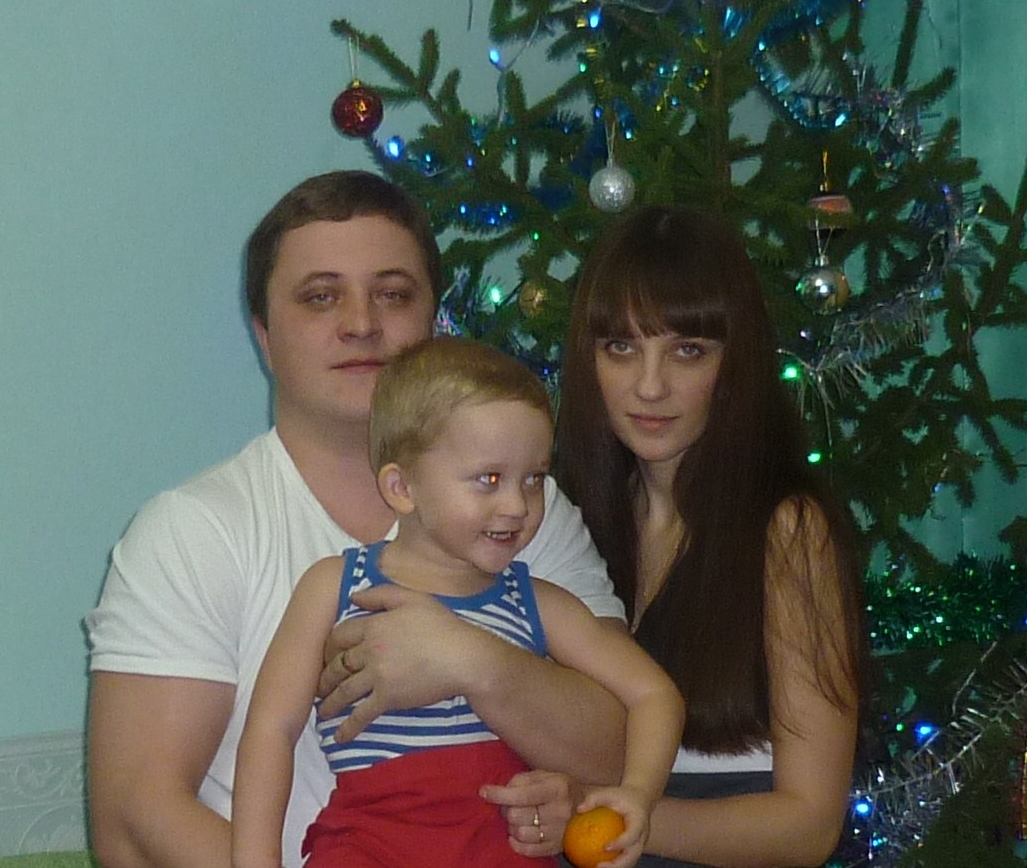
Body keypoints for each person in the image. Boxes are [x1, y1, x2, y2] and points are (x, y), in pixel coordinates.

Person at [86, 172, 629, 868]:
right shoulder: (192, 532)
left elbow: (622, 752)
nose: (362, 323)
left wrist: (472, 660)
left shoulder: (525, 512)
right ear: (264, 336)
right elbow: (135, 820)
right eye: (320, 296)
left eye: (393, 294)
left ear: (434, 318)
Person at [481, 204, 870, 867]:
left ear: (734, 363)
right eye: (621, 348)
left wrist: (611, 817)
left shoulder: (788, 531)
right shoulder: (559, 519)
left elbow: (809, 826)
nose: (650, 385)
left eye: (687, 350)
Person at [233, 338, 684, 868]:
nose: (517, 505)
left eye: (534, 479)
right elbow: (271, 730)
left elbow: (654, 693)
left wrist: (638, 795)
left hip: (502, 850)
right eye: (489, 479)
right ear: (402, 488)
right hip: (368, 846)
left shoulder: (540, 604)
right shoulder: (334, 585)